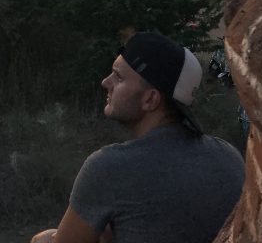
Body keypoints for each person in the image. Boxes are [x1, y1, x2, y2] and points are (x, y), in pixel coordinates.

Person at [31, 31, 245, 243]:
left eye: (119, 77)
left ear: (150, 100)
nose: (106, 82)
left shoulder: (109, 168)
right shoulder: (228, 157)